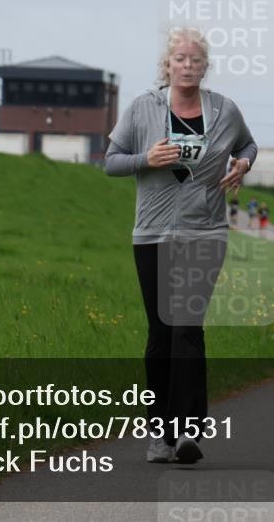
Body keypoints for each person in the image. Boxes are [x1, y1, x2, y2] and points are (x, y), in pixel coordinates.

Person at [105, 27, 257, 464]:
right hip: (151, 234)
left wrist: (242, 162)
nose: (187, 65)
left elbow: (247, 142)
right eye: (179, 59)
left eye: (195, 60)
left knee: (187, 325)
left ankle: (188, 431)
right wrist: (145, 160)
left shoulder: (224, 110)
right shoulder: (142, 109)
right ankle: (159, 433)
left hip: (205, 231)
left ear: (205, 67)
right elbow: (111, 162)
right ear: (166, 65)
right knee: (161, 331)